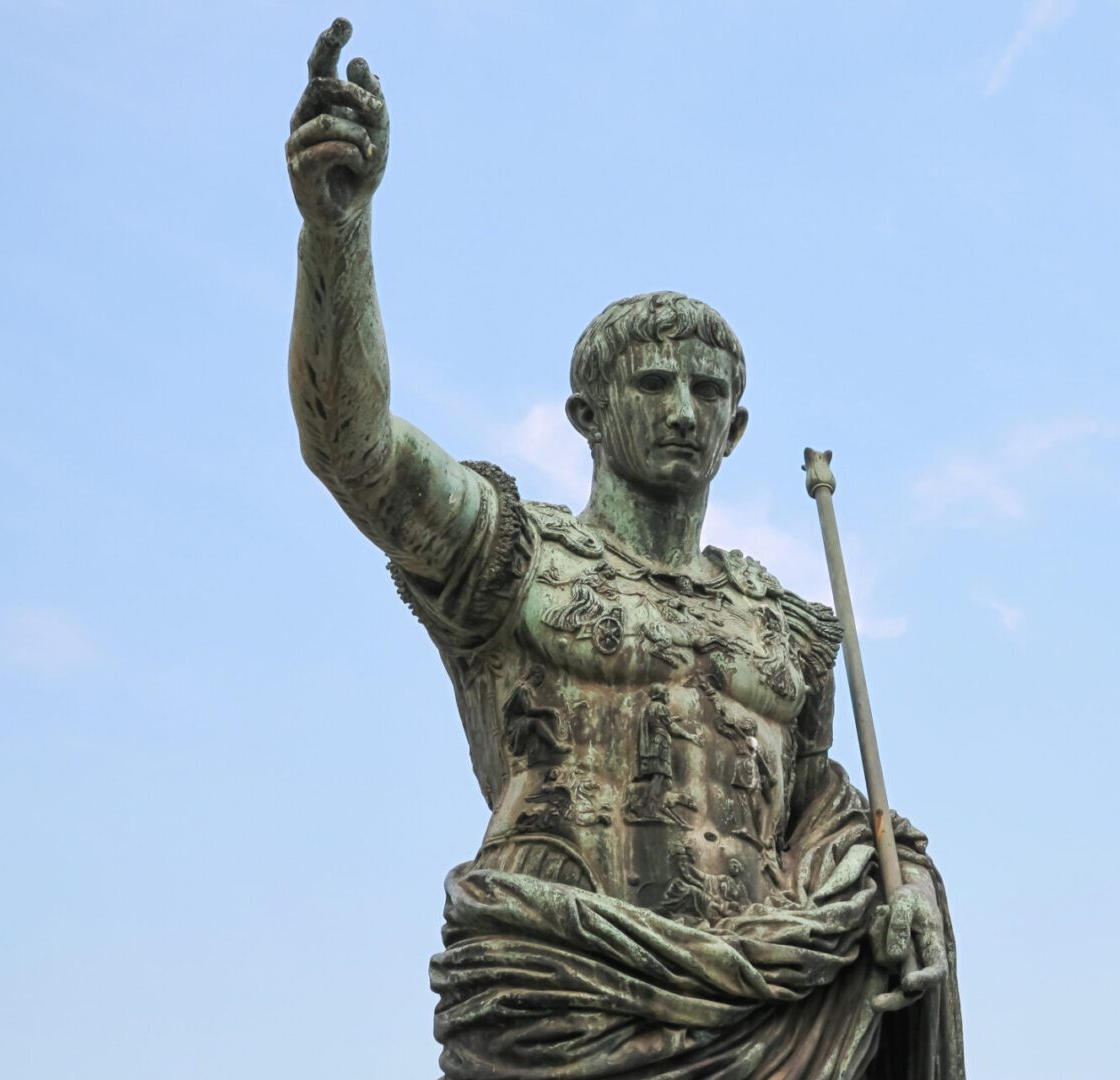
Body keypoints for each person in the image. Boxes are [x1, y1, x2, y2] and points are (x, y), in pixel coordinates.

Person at [285, 18, 962, 1078]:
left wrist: (906, 885)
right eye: (653, 384)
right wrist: (339, 235)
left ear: (737, 429)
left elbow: (827, 825)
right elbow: (352, 446)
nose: (683, 409)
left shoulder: (785, 628)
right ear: (587, 413)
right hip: (562, 1004)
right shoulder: (515, 560)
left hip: (765, 1013)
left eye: (709, 392)